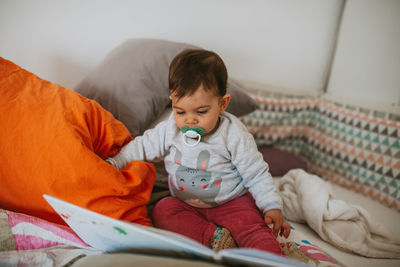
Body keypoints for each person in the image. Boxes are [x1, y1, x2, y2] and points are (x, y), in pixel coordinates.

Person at [106, 49, 290, 255]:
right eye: (180, 111)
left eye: (201, 112)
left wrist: (271, 206)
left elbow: (255, 173)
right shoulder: (170, 129)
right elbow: (142, 146)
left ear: (223, 104)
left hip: (232, 203)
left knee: (252, 228)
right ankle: (215, 239)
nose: (189, 120)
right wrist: (116, 162)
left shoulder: (233, 133)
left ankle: (274, 260)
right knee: (163, 210)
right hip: (186, 205)